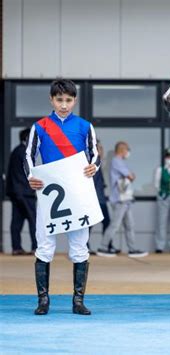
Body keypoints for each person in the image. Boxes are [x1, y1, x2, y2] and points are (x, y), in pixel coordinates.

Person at [25, 79, 99, 315]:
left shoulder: (85, 126)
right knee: (45, 247)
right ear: (51, 100)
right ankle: (43, 301)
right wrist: (30, 176)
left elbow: (95, 154)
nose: (64, 105)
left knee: (79, 248)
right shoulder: (40, 127)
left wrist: (94, 167)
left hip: (77, 195)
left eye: (68, 100)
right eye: (59, 100)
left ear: (74, 100)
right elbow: (27, 156)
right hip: (48, 195)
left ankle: (78, 302)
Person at [96, 142, 148, 258]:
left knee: (129, 225)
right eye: (127, 149)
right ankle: (103, 247)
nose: (128, 152)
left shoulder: (119, 162)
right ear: (122, 150)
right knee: (115, 225)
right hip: (120, 200)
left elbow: (130, 176)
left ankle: (132, 249)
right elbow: (131, 176)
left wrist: (130, 175)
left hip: (126, 200)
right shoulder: (117, 161)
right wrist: (131, 175)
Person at [6, 128, 37, 255]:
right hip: (25, 192)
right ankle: (36, 247)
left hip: (16, 192)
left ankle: (16, 247)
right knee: (33, 219)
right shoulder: (25, 152)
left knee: (17, 221)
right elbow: (28, 173)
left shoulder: (16, 151)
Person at [89, 139, 111, 254]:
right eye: (100, 148)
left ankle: (108, 245)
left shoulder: (98, 163)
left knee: (104, 222)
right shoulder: (93, 164)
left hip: (100, 198)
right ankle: (106, 246)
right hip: (96, 199)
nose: (102, 151)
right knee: (101, 222)